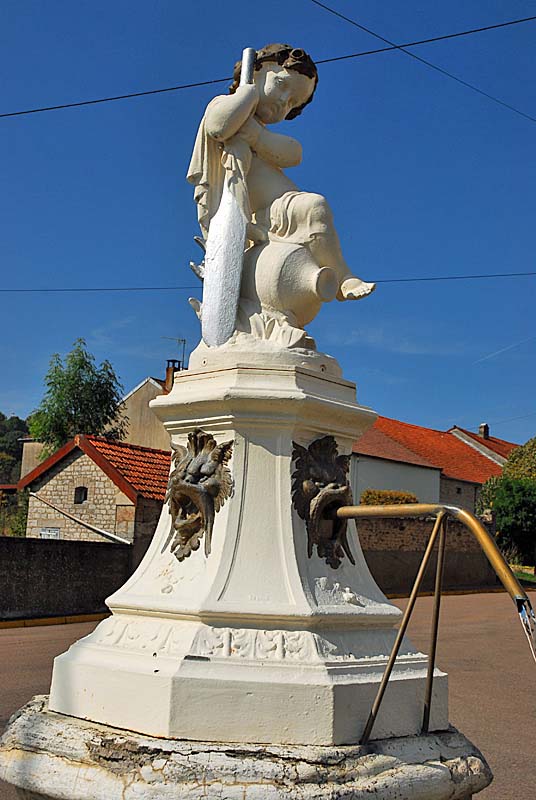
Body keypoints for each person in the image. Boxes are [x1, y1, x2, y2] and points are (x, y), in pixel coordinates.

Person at [187, 43, 374, 302]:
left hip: (280, 210)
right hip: (251, 215)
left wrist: (257, 136)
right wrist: (247, 92)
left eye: (293, 103)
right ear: (256, 71)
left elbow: (294, 154)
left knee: (315, 210)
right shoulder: (224, 104)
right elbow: (219, 126)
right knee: (314, 205)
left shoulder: (259, 133)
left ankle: (342, 276)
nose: (284, 101)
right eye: (281, 84)